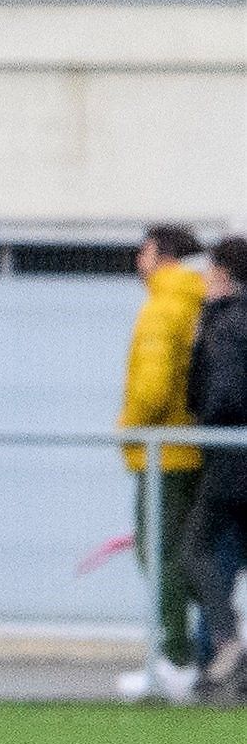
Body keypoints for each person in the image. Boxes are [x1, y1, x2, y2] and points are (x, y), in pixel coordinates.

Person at [116, 224, 208, 702]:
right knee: (192, 557)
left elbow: (151, 391)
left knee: (160, 555)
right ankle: (198, 653)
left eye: (143, 252)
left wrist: (127, 428)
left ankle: (175, 661)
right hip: (194, 449)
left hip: (164, 453)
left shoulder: (163, 307)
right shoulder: (200, 301)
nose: (138, 261)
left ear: (161, 254)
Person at [177, 237, 247, 696]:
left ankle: (226, 642)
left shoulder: (225, 324)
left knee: (193, 551)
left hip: (229, 463)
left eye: (208, 270)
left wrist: (201, 409)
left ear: (222, 273)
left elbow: (222, 395)